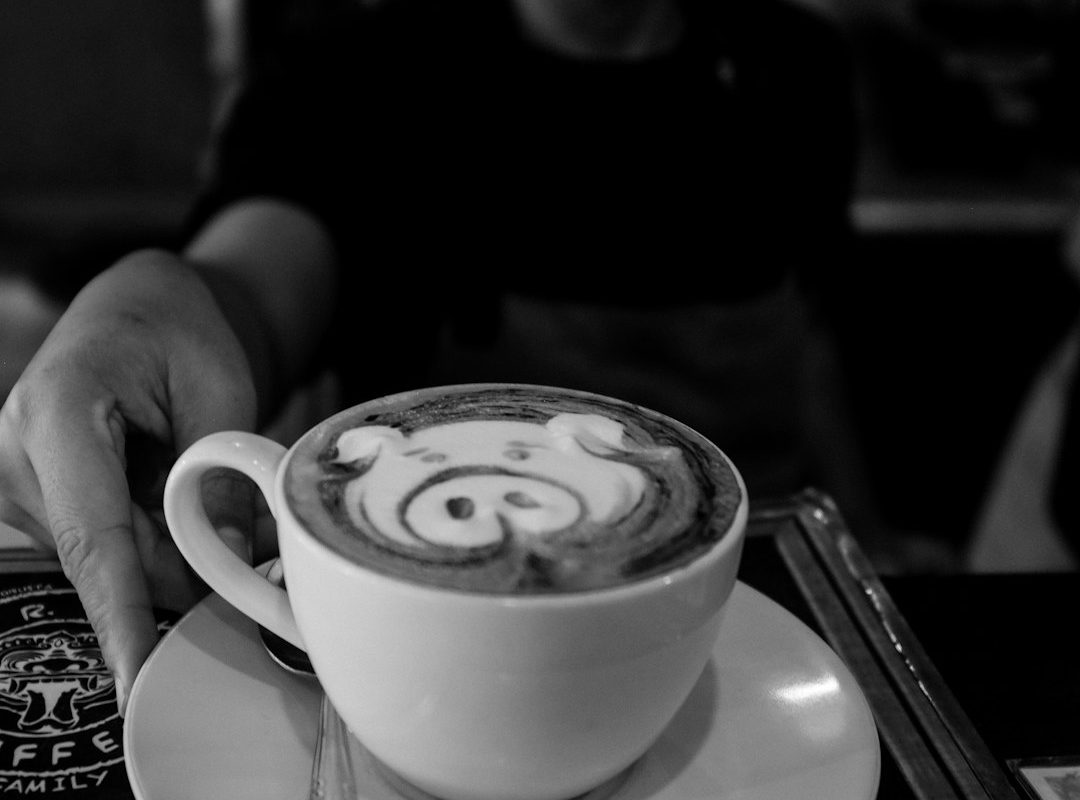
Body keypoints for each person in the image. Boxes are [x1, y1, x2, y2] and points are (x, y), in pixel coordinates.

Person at [0, 0, 858, 713]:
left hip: (750, 603)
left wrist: (863, 537)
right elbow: (257, 281)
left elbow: (813, 342)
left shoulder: (797, 67)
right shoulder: (359, 74)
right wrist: (175, 299)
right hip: (435, 665)